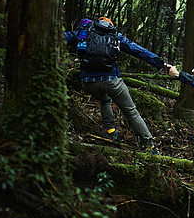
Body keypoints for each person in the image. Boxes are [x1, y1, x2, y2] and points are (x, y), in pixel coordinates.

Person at [64, 17, 166, 155]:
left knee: (105, 99)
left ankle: (111, 132)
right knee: (131, 111)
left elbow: (62, 37)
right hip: (112, 81)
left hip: (89, 82)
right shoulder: (115, 36)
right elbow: (137, 50)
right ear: (110, 25)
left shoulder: (85, 32)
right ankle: (150, 145)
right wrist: (160, 63)